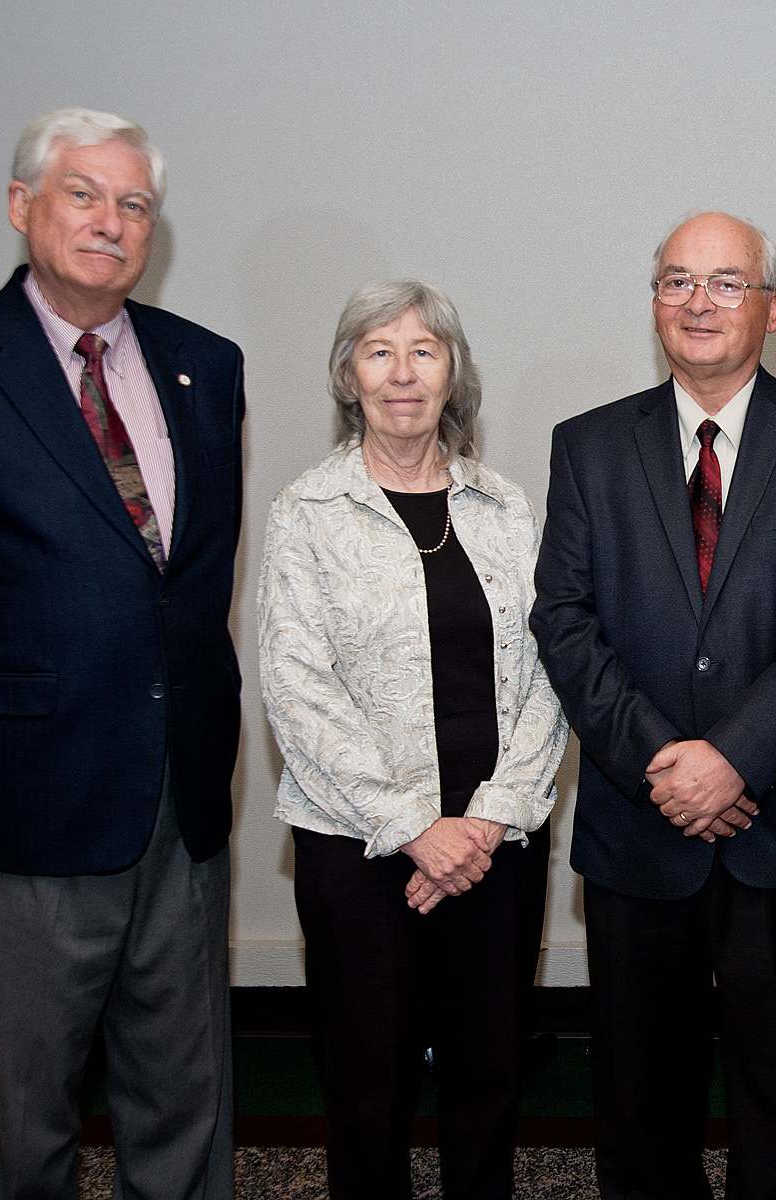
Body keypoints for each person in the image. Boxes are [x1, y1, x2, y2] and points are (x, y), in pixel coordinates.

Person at [0, 108, 243, 1198]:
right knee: (25, 1110)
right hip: (22, 799)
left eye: (135, 205)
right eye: (84, 194)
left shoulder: (209, 366)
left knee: (184, 1093)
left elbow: (190, 580)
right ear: (23, 206)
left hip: (184, 798)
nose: (111, 223)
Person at [530, 211, 776, 1200]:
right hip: (637, 818)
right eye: (677, 281)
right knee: (640, 1092)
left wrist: (734, 758)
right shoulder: (590, 446)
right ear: (653, 305)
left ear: (771, 310)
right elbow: (564, 621)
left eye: (727, 282)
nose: (699, 302)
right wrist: (663, 761)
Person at [258, 279, 567, 1199]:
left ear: (454, 374)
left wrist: (488, 819)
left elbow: (555, 667)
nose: (402, 373)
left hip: (494, 842)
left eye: (424, 351)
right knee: (367, 1083)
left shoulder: (506, 508)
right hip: (356, 846)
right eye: (378, 351)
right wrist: (412, 828)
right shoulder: (305, 512)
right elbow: (294, 685)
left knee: (488, 1074)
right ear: (349, 377)